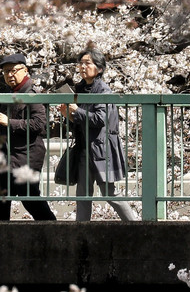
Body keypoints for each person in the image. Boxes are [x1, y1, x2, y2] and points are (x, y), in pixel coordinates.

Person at [59, 50, 139, 221]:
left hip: (101, 150)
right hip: (84, 148)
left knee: (109, 193)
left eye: (88, 63)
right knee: (82, 195)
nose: (82, 66)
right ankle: (82, 233)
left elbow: (100, 119)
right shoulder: (80, 89)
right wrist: (69, 116)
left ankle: (135, 226)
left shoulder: (103, 90)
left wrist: (77, 111)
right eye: (81, 63)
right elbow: (82, 121)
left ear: (100, 68)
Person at [0, 53, 57, 221]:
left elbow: (39, 123)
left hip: (26, 155)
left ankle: (53, 229)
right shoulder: (7, 92)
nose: (9, 75)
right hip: (6, 155)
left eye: (13, 70)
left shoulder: (31, 93)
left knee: (30, 198)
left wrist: (9, 122)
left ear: (25, 70)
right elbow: (1, 119)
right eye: (5, 72)